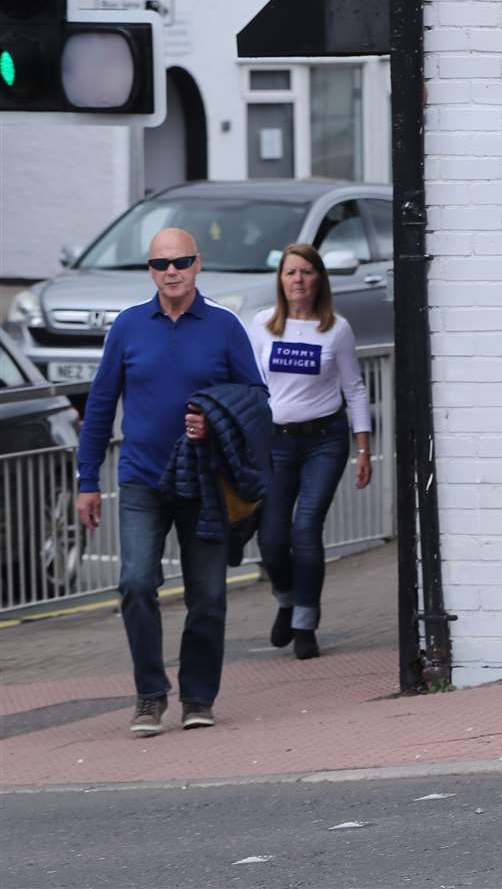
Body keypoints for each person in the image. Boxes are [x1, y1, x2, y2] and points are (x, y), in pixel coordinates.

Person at [77, 228, 266, 734]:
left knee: (207, 596)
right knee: (136, 583)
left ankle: (199, 698)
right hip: (141, 479)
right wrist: (86, 479)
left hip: (204, 482)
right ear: (151, 271)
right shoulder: (129, 327)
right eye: (162, 264)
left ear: (198, 264)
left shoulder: (224, 326)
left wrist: (214, 419)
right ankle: (150, 696)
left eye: (181, 261)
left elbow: (254, 398)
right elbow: (99, 406)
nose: (172, 271)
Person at [248, 244, 372, 660]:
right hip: (277, 442)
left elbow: (354, 388)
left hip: (324, 440)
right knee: (271, 538)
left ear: (319, 278)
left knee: (305, 530)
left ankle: (306, 621)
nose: (297, 280)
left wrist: (363, 448)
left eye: (305, 272)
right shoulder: (264, 325)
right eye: (290, 273)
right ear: (280, 280)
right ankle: (286, 597)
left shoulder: (336, 328)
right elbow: (249, 385)